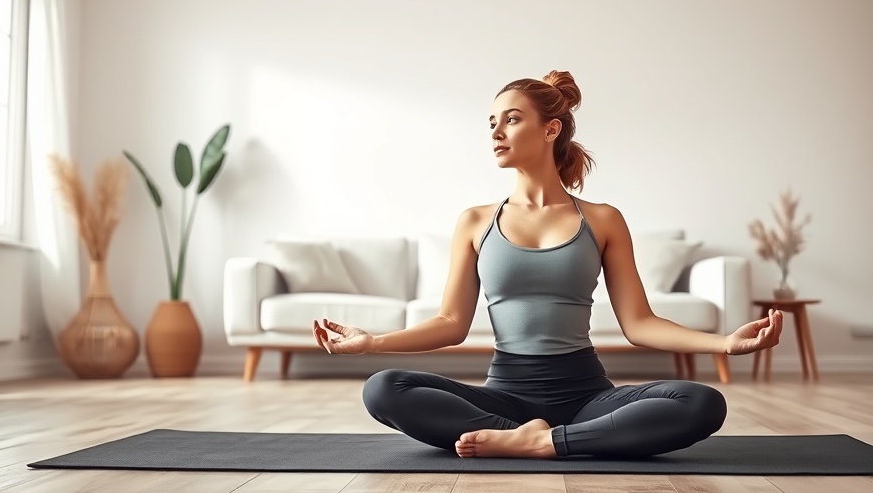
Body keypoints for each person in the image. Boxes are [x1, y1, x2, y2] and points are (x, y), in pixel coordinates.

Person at [312, 70, 783, 459]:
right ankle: (531, 438)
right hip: (503, 396)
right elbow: (452, 324)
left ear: (551, 128)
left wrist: (723, 343)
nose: (496, 132)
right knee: (382, 388)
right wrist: (371, 342)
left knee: (701, 402)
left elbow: (640, 323)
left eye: (511, 120)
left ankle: (542, 442)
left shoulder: (602, 219)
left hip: (589, 397)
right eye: (491, 122)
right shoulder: (476, 222)